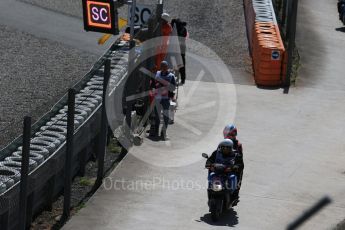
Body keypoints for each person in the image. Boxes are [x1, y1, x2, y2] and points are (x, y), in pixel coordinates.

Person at [205, 139, 244, 205]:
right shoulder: (216, 153)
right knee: (211, 175)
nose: (225, 149)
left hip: (228, 173)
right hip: (217, 172)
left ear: (231, 148)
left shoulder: (236, 155)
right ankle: (210, 192)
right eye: (223, 147)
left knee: (233, 177)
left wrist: (235, 167)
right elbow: (210, 159)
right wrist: (209, 164)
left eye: (227, 147)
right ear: (221, 147)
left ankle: (233, 195)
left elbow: (240, 164)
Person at [152, 61, 176, 140]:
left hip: (166, 99)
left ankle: (163, 132)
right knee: (157, 117)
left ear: (167, 67)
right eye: (162, 66)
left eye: (165, 66)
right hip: (158, 98)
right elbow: (152, 84)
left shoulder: (171, 76)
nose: (163, 68)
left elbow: (173, 88)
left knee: (166, 117)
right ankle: (156, 132)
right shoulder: (157, 74)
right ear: (161, 67)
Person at [171, 19, 188, 85]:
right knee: (181, 64)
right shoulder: (183, 29)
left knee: (176, 64)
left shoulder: (177, 29)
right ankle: (182, 79)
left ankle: (177, 78)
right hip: (182, 49)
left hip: (177, 48)